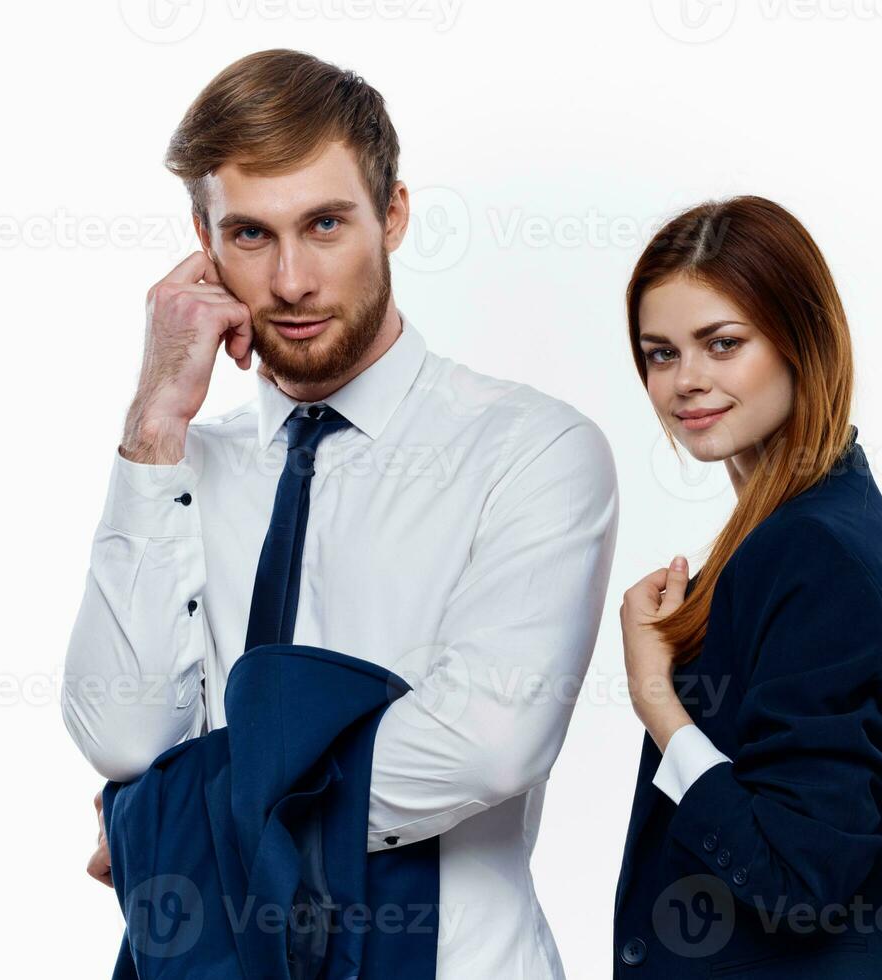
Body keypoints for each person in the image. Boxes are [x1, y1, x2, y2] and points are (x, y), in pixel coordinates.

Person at [60, 49, 619, 979]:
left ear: (393, 214)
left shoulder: (531, 449)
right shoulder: (183, 464)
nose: (290, 281)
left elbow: (487, 741)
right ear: (202, 240)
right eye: (249, 235)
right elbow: (123, 734)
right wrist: (154, 419)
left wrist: (179, 819)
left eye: (325, 224)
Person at [614, 196, 882, 977]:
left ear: (801, 340)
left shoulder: (812, 547)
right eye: (661, 353)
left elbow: (796, 879)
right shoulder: (825, 518)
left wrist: (656, 699)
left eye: (722, 343)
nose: (687, 381)